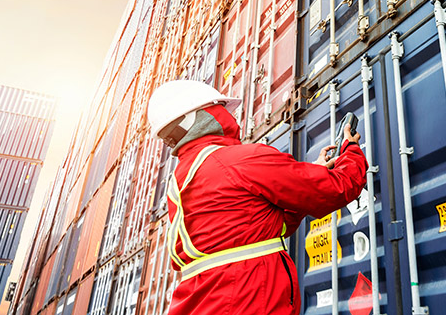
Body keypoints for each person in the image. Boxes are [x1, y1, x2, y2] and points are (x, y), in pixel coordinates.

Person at [147, 80, 368, 315]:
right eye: (220, 107)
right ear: (200, 116)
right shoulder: (240, 159)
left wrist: (312, 174)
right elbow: (335, 190)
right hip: (245, 299)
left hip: (203, 302)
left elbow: (260, 227)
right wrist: (351, 150)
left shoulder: (181, 180)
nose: (229, 115)